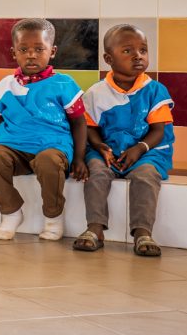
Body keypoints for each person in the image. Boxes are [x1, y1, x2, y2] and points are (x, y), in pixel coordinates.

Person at [73, 24, 173, 257]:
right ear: (109, 58)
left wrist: (140, 149)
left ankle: (142, 232)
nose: (138, 56)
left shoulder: (155, 90)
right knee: (96, 171)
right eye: (128, 51)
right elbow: (90, 128)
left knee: (146, 175)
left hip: (148, 150)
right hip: (107, 150)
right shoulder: (96, 92)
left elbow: (158, 130)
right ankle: (95, 229)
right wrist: (99, 147)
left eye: (143, 50)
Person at [0, 18, 87, 242]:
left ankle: (53, 218)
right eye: (24, 49)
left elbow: (79, 123)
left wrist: (79, 158)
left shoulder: (64, 84)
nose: (31, 55)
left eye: (39, 49)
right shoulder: (4, 87)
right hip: (16, 148)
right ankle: (10, 214)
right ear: (14, 53)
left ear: (52, 51)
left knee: (48, 160)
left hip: (53, 147)